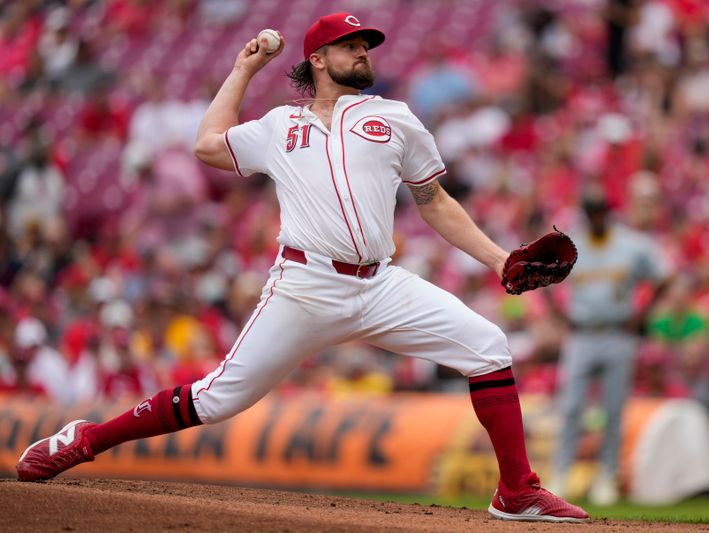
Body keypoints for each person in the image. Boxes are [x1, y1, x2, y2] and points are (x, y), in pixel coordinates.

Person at [15, 12, 588, 523]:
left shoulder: (395, 117)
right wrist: (244, 69)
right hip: (305, 285)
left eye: (366, 43)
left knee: (488, 345)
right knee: (217, 400)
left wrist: (496, 259)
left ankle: (517, 490)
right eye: (350, 44)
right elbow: (208, 145)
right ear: (318, 59)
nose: (363, 51)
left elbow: (433, 200)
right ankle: (86, 439)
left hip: (380, 283)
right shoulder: (278, 126)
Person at [548, 184, 669, 506]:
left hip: (618, 333)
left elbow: (663, 276)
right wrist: (560, 315)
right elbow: (542, 277)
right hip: (582, 335)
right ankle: (561, 474)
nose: (595, 215)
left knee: (613, 409)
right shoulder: (572, 244)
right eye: (590, 210)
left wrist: (643, 314)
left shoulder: (632, 244)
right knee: (571, 406)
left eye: (599, 209)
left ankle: (607, 476)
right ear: (585, 213)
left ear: (608, 211)